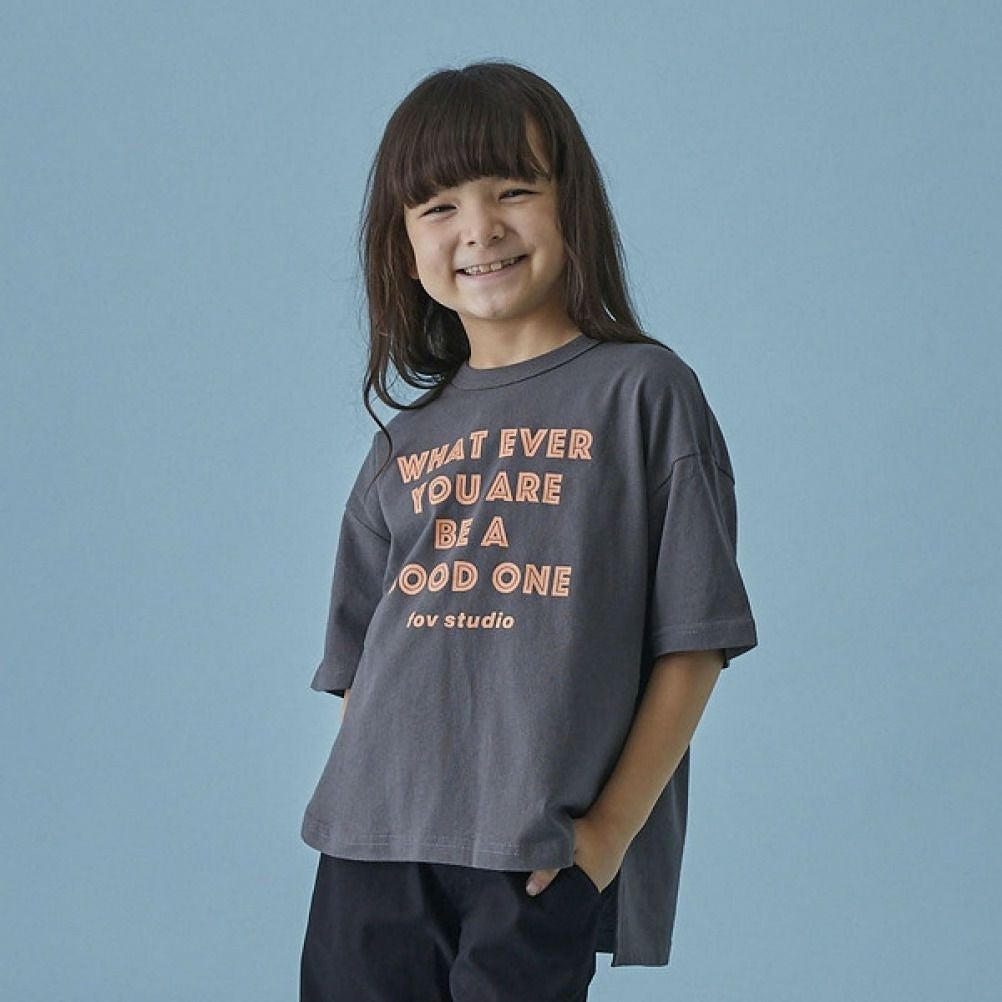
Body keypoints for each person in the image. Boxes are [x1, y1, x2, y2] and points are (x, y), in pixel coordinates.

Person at [299, 59, 758, 1002]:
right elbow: (359, 671)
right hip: (371, 848)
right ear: (404, 249)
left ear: (572, 205)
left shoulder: (643, 395)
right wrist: (371, 817)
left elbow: (695, 640)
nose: (480, 229)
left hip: (535, 849)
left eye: (514, 190)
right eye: (439, 207)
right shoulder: (401, 444)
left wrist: (606, 838)